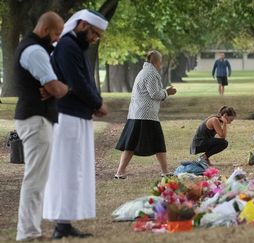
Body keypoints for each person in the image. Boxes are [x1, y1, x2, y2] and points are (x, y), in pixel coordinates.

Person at [42, 9, 108, 239]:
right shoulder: (67, 46)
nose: (94, 38)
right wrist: (97, 103)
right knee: (65, 170)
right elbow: (76, 82)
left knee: (73, 171)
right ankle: (60, 223)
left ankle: (65, 222)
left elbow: (83, 80)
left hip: (77, 116)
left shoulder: (75, 47)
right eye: (94, 33)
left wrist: (93, 103)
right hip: (67, 116)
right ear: (82, 25)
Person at [13, 11, 68, 241]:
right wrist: (66, 88)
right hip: (35, 120)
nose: (56, 39)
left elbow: (52, 84)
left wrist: (55, 86)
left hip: (39, 118)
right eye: (56, 34)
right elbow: (55, 87)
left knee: (38, 178)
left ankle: (31, 230)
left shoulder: (37, 48)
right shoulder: (35, 50)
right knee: (34, 179)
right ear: (45, 30)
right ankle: (28, 233)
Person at [114, 50, 177, 179]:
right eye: (161, 61)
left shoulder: (143, 72)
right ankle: (165, 171)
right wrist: (167, 92)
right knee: (158, 142)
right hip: (146, 115)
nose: (161, 64)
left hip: (137, 113)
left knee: (131, 143)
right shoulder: (151, 74)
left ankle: (120, 172)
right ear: (157, 62)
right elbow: (155, 94)